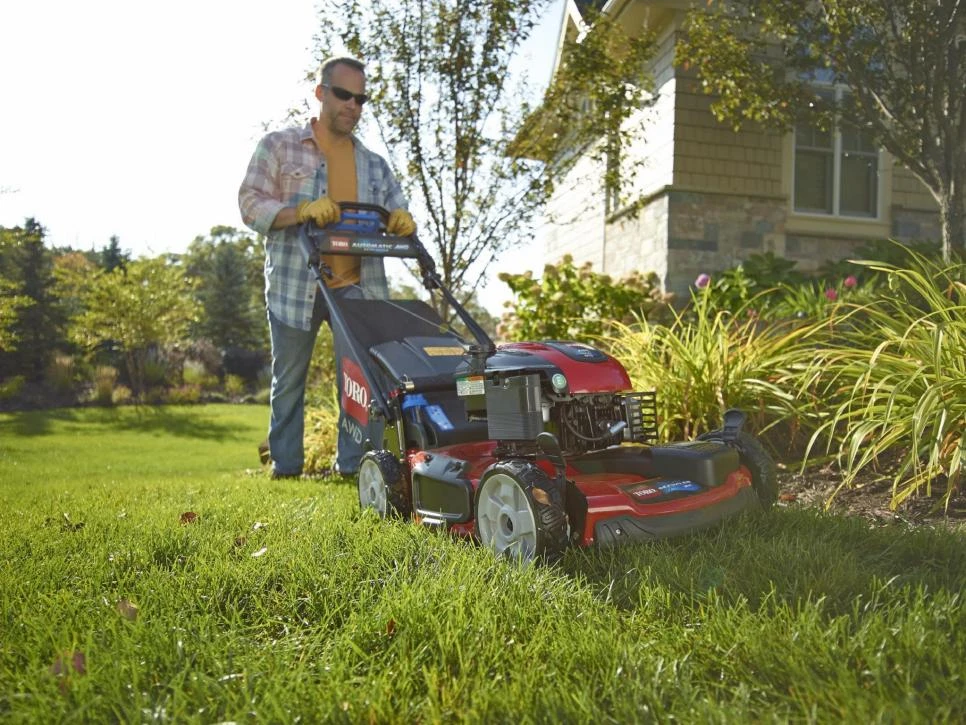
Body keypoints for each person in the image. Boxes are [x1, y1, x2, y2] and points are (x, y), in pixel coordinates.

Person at [239, 56, 415, 479]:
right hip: (295, 284)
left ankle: (354, 467)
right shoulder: (279, 146)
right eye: (343, 95)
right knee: (289, 382)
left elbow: (397, 210)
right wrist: (300, 210)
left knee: (358, 382)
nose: (353, 105)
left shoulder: (374, 164)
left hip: (356, 287)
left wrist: (401, 222)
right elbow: (250, 202)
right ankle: (285, 468)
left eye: (361, 98)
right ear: (321, 93)